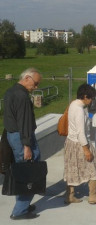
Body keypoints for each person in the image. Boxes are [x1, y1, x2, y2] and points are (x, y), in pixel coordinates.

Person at [3, 68, 42, 220]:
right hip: (22, 138)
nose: (36, 87)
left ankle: (23, 204)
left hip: (13, 136)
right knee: (29, 172)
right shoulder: (22, 96)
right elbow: (24, 122)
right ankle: (20, 211)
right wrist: (27, 146)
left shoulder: (11, 91)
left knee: (22, 171)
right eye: (36, 83)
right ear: (27, 78)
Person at [64, 83, 96, 205]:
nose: (92, 100)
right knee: (94, 169)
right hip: (80, 144)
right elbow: (81, 132)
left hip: (71, 142)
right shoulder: (79, 110)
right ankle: (93, 196)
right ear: (85, 96)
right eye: (91, 97)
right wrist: (87, 150)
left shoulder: (74, 104)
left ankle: (69, 196)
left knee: (72, 169)